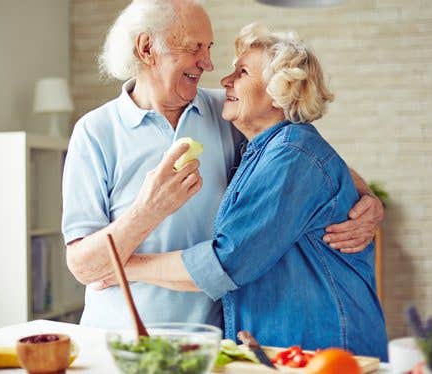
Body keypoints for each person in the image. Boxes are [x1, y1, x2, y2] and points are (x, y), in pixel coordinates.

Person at [62, 0, 384, 331]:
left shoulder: (228, 111)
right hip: (120, 342)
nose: (209, 63)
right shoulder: (95, 132)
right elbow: (84, 267)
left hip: (212, 342)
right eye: (194, 48)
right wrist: (148, 211)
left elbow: (305, 156)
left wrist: (367, 198)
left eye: (209, 47)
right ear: (147, 48)